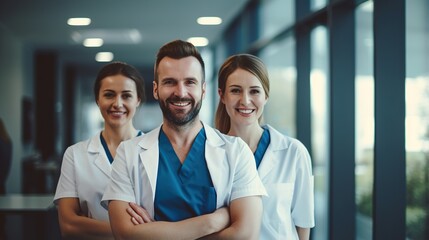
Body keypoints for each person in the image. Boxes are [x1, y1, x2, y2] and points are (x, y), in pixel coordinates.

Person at [102, 39, 266, 239]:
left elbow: (245, 234)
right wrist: (211, 222)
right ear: (155, 89)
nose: (180, 92)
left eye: (190, 82)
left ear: (203, 90)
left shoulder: (236, 151)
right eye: (170, 82)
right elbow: (124, 233)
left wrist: (153, 233)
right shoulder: (128, 153)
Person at [215, 53, 315, 240]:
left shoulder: (293, 152)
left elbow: (303, 225)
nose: (245, 100)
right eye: (236, 90)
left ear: (266, 96)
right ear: (222, 95)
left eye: (254, 91)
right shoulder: (209, 153)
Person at [53, 61, 146, 239]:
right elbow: (68, 224)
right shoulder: (75, 154)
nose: (117, 103)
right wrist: (133, 232)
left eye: (126, 96)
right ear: (98, 99)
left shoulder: (157, 150)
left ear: (138, 100)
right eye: (109, 95)